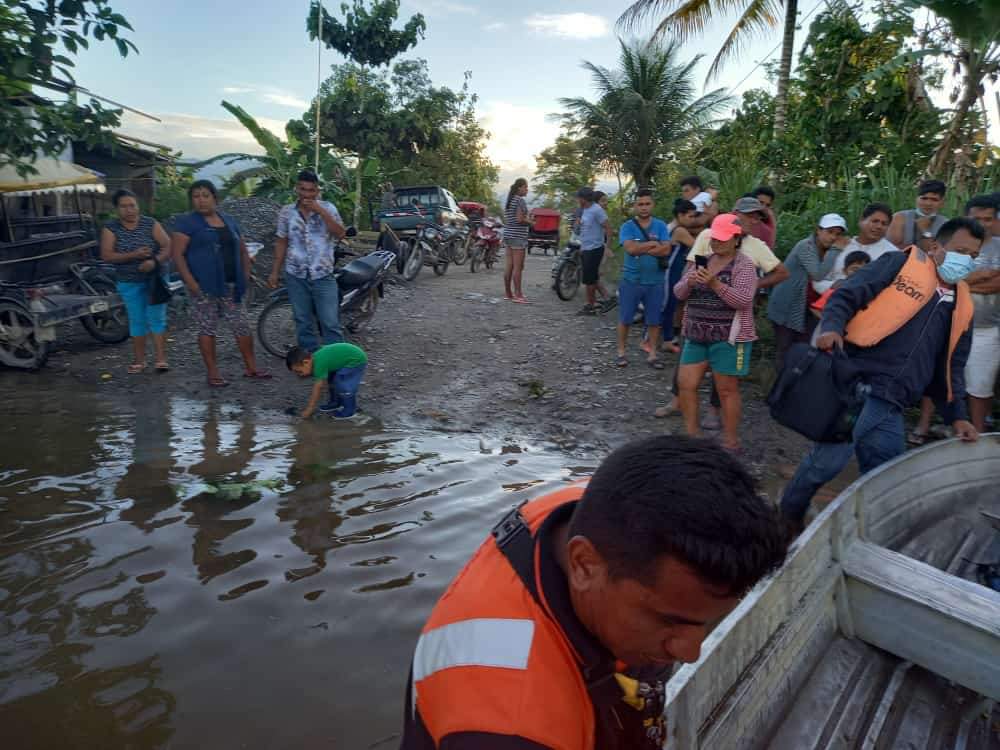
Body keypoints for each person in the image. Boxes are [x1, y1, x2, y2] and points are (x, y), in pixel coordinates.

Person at [399, 435, 787, 750]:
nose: (691, 652)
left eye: (707, 622)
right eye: (669, 621)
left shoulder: (585, 509)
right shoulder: (511, 728)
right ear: (584, 565)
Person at [780, 218, 983, 534]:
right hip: (858, 383)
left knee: (885, 473)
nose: (966, 260)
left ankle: (871, 534)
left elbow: (953, 367)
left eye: (973, 255)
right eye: (960, 250)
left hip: (894, 400)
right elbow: (848, 294)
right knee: (830, 461)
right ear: (936, 247)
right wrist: (832, 327)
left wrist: (957, 416)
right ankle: (788, 516)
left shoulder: (962, 305)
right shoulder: (901, 263)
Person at [660, 197, 789, 424]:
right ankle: (677, 401)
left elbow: (781, 272)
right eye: (747, 215)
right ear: (734, 213)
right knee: (687, 370)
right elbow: (692, 268)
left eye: (756, 216)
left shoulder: (756, 246)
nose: (752, 220)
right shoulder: (707, 237)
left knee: (725, 378)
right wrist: (689, 283)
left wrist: (751, 286)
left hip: (731, 325)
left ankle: (714, 411)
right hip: (698, 318)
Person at [909, 195, 1000, 440]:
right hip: (946, 322)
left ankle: (976, 434)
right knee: (936, 373)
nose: (982, 223)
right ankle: (923, 426)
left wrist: (964, 281)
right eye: (976, 218)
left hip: (986, 328)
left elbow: (996, 284)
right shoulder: (949, 242)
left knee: (979, 385)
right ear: (965, 217)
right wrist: (982, 276)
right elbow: (942, 275)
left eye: (987, 219)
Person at [673, 214, 758, 451]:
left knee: (727, 389)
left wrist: (715, 284)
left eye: (723, 239)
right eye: (714, 239)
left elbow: (743, 301)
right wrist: (689, 282)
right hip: (696, 333)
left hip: (729, 337)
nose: (717, 243)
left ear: (736, 239)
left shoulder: (744, 265)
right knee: (686, 384)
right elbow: (677, 293)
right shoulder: (702, 260)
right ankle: (693, 434)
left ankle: (730, 441)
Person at [172, 180, 269, 387]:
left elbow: (243, 250)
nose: (201, 200)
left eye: (205, 195)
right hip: (203, 286)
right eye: (196, 196)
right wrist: (191, 283)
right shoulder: (186, 223)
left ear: (215, 198)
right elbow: (177, 255)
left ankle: (251, 368)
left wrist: (245, 273)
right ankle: (213, 372)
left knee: (241, 325)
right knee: (207, 327)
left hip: (232, 284)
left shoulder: (229, 221)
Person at [269, 169, 347, 351]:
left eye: (311, 190)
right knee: (302, 320)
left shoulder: (328, 208)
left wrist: (320, 211)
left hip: (323, 274)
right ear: (297, 189)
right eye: (303, 189)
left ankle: (334, 362)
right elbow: (281, 241)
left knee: (330, 321)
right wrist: (274, 271)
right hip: (296, 275)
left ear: (317, 191)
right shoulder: (287, 212)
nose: (307, 194)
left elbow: (340, 233)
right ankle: (309, 360)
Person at [100, 189, 172, 373]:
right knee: (136, 319)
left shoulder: (150, 224)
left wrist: (153, 261)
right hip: (128, 281)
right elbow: (106, 255)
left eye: (132, 205)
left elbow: (168, 246)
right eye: (124, 206)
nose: (129, 210)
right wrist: (134, 255)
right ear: (117, 209)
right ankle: (139, 360)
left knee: (156, 317)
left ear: (138, 206)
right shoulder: (111, 228)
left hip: (154, 279)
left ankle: (161, 359)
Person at [767, 214, 847, 371]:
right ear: (818, 230)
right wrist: (836, 249)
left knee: (802, 351)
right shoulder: (806, 246)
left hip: (808, 308)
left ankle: (794, 389)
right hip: (787, 307)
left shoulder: (828, 251)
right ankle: (779, 390)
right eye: (830, 232)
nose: (833, 237)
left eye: (838, 234)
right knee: (785, 350)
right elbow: (818, 273)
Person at [616, 189, 672, 368]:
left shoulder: (661, 225)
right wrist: (652, 244)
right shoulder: (627, 226)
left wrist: (641, 246)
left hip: (655, 281)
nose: (644, 207)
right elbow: (630, 249)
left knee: (654, 320)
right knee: (625, 318)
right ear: (635, 206)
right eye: (640, 204)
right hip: (631, 280)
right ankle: (621, 352)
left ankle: (653, 354)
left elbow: (666, 250)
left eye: (647, 203)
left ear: (652, 205)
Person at [813, 203, 898, 294]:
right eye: (875, 221)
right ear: (861, 220)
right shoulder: (839, 246)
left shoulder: (893, 254)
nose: (879, 226)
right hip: (833, 301)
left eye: (884, 224)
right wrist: (834, 285)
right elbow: (817, 281)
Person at [285, 342, 368, 419]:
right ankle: (336, 402)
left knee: (343, 383)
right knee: (332, 380)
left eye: (299, 371)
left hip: (356, 360)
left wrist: (309, 409)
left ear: (306, 362)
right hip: (345, 359)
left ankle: (350, 410)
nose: (299, 375)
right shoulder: (315, 359)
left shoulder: (319, 365)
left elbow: (318, 387)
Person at [575, 187, 611, 314]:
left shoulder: (597, 210)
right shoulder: (584, 210)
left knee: (589, 280)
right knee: (591, 278)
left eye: (579, 198)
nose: (577, 200)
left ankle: (590, 305)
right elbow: (584, 229)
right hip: (586, 248)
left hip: (595, 248)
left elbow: (608, 228)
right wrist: (581, 247)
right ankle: (604, 300)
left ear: (584, 199)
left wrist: (607, 247)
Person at [888, 179, 949, 251]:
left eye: (934, 200)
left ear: (942, 202)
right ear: (916, 199)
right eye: (924, 198)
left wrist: (924, 231)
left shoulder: (946, 224)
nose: (928, 203)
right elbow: (892, 248)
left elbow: (933, 252)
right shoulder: (900, 217)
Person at [503, 178, 531, 303]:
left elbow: (512, 218)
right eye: (525, 187)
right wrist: (532, 222)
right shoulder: (520, 200)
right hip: (518, 237)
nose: (527, 190)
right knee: (518, 267)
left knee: (510, 265)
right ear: (519, 188)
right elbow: (520, 219)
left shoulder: (510, 200)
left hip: (508, 235)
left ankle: (509, 293)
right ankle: (518, 295)